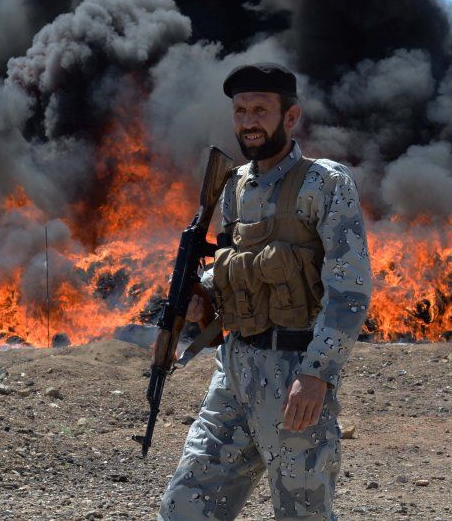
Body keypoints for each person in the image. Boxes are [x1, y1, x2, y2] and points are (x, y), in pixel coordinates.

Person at [158, 62, 372, 520]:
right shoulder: (234, 186)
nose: (248, 122)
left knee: (302, 514)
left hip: (295, 371)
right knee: (184, 506)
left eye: (259, 110)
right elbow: (235, 268)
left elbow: (348, 291)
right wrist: (204, 299)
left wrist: (318, 374)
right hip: (234, 369)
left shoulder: (326, 182)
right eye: (239, 111)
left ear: (290, 117)